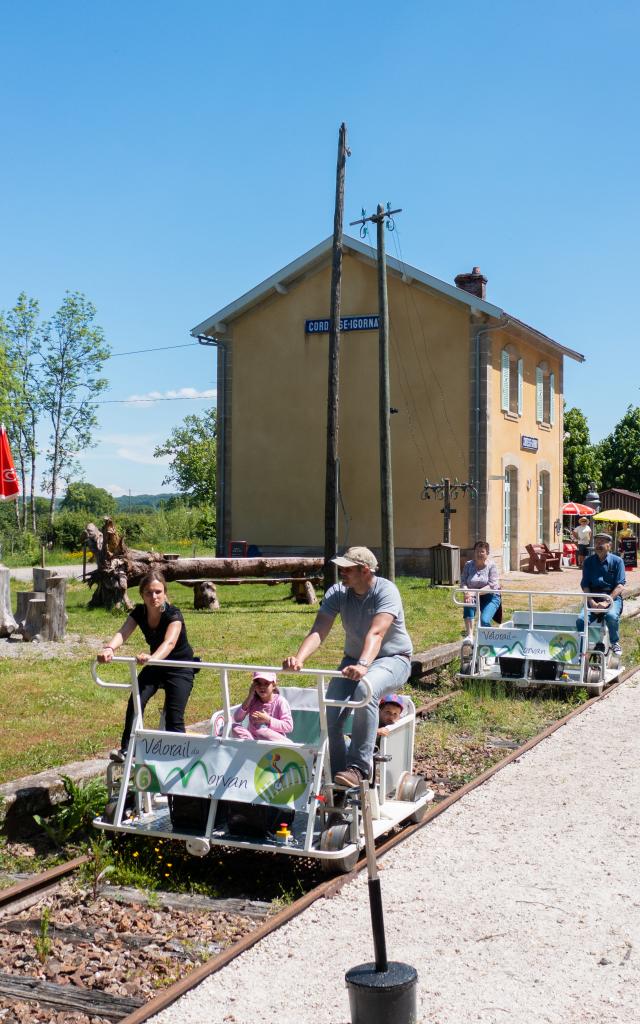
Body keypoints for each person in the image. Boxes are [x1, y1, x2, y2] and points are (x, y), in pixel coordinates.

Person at [283, 545, 412, 789]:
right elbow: (319, 630)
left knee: (365, 691)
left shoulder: (386, 591)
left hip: (393, 658)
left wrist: (364, 665)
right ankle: (338, 776)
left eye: (347, 568)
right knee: (330, 710)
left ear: (364, 571)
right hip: (352, 661)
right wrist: (299, 658)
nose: (341, 572)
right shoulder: (338, 592)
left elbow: (377, 632)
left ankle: (359, 769)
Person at [98, 570, 199, 761]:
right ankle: (128, 749)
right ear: (142, 595)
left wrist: (152, 658)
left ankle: (178, 759)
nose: (154, 597)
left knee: (174, 716)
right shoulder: (140, 612)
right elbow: (123, 632)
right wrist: (109, 648)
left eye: (158, 592)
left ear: (165, 592)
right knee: (136, 700)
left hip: (180, 667)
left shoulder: (173, 614)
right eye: (149, 593)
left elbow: (169, 643)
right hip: (156, 664)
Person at [576, 533, 625, 655]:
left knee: (611, 617)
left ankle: (614, 643)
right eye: (597, 542)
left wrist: (606, 602)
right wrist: (591, 601)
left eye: (602, 542)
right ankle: (583, 648)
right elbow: (585, 584)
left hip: (611, 597)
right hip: (593, 597)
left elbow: (620, 586)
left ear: (609, 545)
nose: (598, 545)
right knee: (581, 620)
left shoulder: (618, 561)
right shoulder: (588, 562)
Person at [232, 671, 294, 742]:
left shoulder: (280, 701)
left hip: (274, 742)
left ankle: (288, 744)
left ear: (274, 685)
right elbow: (237, 719)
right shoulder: (253, 700)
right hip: (253, 740)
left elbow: (288, 726)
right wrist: (249, 696)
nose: (262, 687)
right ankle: (251, 744)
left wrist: (268, 719)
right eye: (258, 683)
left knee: (262, 731)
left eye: (266, 683)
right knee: (232, 727)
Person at [460, 541, 502, 637]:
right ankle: (469, 636)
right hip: (473, 595)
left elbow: (491, 586)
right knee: (468, 601)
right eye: (477, 551)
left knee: (484, 621)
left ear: (487, 553)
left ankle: (493, 639)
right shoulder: (468, 564)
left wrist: (473, 593)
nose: (479, 554)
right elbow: (463, 582)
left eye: (482, 552)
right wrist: (467, 592)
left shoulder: (492, 566)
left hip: (490, 597)